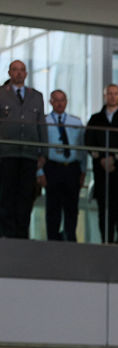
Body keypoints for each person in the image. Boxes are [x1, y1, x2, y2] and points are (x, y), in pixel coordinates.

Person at [85, 83, 118, 244]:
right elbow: (89, 141)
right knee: (104, 209)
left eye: (115, 93)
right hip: (102, 173)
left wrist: (114, 159)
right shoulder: (95, 119)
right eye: (109, 93)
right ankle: (106, 242)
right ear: (105, 96)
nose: (112, 96)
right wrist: (101, 158)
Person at [0, 60, 47, 239]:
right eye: (15, 70)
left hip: (29, 154)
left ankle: (22, 234)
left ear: (26, 74)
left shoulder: (36, 96)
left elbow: (41, 125)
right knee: (7, 194)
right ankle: (7, 234)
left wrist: (44, 152)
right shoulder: (1, 94)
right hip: (7, 153)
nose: (19, 73)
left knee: (26, 195)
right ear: (9, 73)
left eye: (22, 70)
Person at [40, 89, 87, 241]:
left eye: (62, 100)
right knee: (53, 206)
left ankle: (70, 237)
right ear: (51, 102)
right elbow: (39, 148)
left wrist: (83, 170)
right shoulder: (44, 121)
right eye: (56, 100)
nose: (60, 103)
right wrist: (39, 171)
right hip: (52, 167)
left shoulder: (76, 122)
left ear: (66, 102)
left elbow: (82, 148)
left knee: (71, 206)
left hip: (71, 168)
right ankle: (52, 238)